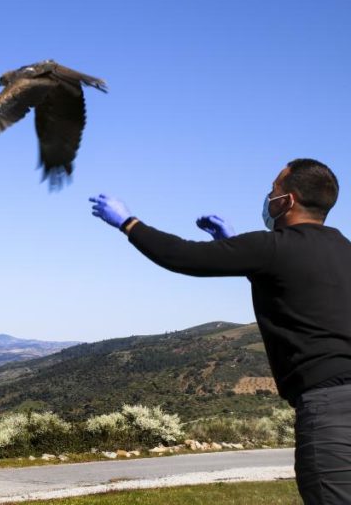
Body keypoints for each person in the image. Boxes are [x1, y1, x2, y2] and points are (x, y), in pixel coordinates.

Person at [89, 158, 350, 505]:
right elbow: (291, 282)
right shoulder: (343, 249)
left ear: (287, 201)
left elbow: (182, 256)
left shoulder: (272, 246)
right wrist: (234, 244)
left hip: (329, 409)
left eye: (273, 189)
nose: (268, 196)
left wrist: (128, 222)